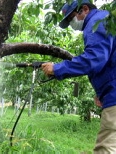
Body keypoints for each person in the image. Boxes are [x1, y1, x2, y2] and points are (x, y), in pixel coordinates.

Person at [41, 0, 116, 153]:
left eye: (71, 18)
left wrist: (57, 68)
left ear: (85, 9)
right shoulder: (105, 19)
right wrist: (102, 92)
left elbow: (93, 59)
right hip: (111, 91)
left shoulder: (96, 22)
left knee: (105, 148)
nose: (71, 24)